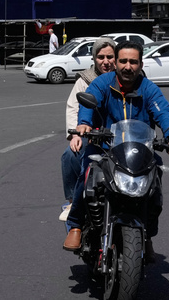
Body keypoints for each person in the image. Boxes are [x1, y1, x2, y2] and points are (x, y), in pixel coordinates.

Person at [63, 41, 169, 254]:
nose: (127, 67)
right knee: (86, 177)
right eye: (123, 61)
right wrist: (84, 123)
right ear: (117, 62)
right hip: (104, 148)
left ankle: (147, 235)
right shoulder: (102, 83)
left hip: (139, 150)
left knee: (155, 184)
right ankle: (75, 225)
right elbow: (88, 103)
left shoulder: (149, 89)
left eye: (133, 62)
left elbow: (163, 113)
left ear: (140, 64)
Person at [59, 37, 116, 221]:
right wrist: (74, 134)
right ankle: (71, 201)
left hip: (121, 133)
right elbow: (74, 107)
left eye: (110, 57)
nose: (106, 62)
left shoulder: (126, 76)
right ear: (94, 59)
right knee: (70, 155)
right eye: (101, 57)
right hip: (91, 133)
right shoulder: (85, 80)